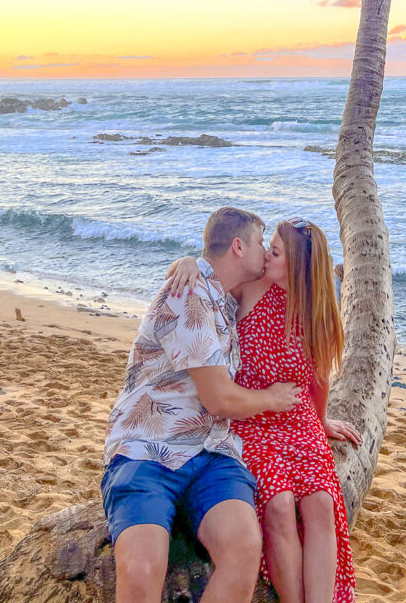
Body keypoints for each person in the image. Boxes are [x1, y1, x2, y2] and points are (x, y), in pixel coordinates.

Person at [101, 206, 302, 603]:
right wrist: (274, 399)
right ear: (239, 247)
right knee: (141, 569)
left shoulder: (226, 301)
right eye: (262, 243)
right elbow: (219, 398)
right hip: (148, 451)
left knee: (244, 549)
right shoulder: (189, 296)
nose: (266, 252)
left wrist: (189, 258)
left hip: (211, 454)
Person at [167, 217, 360, 603]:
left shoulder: (318, 310)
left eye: (275, 251)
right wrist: (186, 261)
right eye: (268, 246)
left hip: (299, 419)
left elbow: (319, 377)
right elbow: (210, 279)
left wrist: (321, 423)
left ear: (299, 266)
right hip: (251, 418)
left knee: (322, 503)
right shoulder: (252, 288)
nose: (266, 255)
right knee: (280, 504)